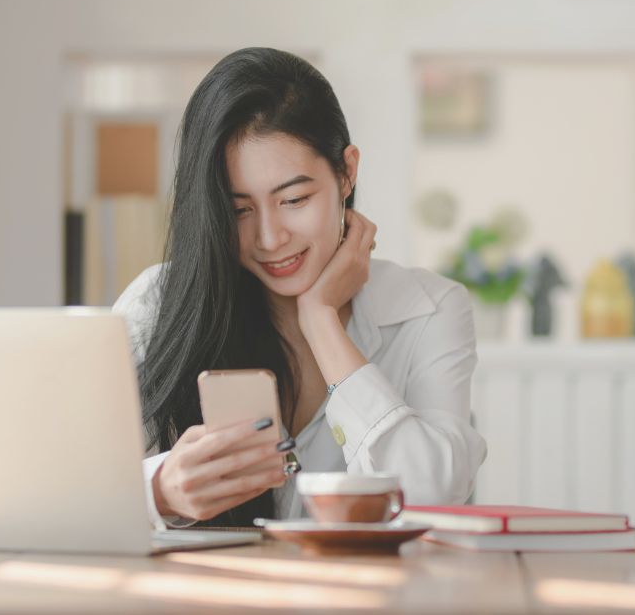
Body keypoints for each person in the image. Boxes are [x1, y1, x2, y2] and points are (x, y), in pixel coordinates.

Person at [113, 47, 486, 528]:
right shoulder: (158, 304)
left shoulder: (430, 310)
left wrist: (321, 321)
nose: (269, 239)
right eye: (239, 210)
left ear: (347, 172)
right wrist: (159, 491)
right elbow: (67, 487)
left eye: (294, 199)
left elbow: (433, 496)